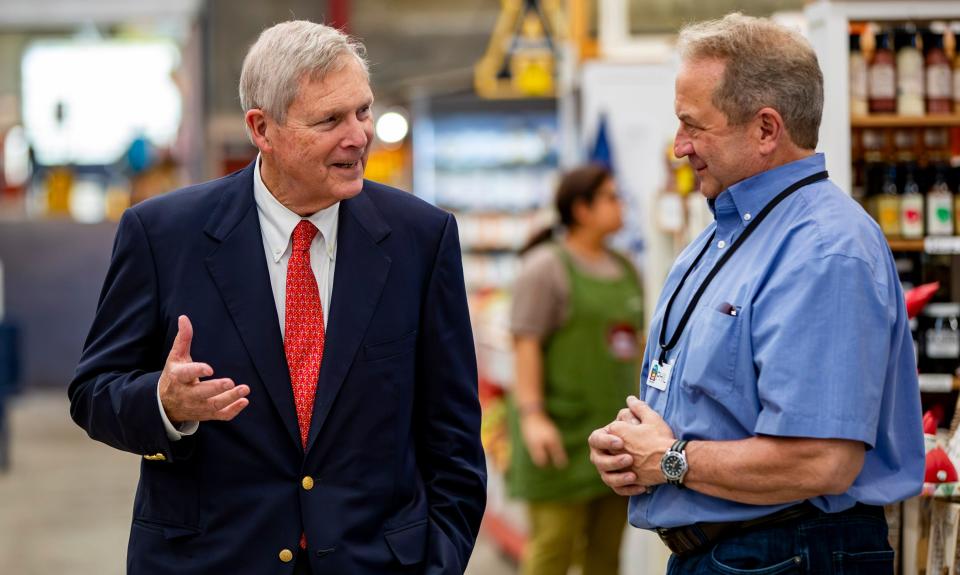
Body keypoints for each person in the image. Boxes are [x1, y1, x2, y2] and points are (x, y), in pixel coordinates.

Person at [68, 20, 486, 575]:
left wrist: (440, 561)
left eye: (361, 111)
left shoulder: (421, 239)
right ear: (262, 129)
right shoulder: (164, 235)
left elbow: (453, 436)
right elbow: (93, 391)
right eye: (329, 120)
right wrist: (164, 405)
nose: (359, 136)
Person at [587, 13, 924, 574]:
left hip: (790, 554)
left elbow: (822, 461)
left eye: (693, 126)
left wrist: (668, 460)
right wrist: (634, 450)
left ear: (766, 129)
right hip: (740, 553)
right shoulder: (728, 236)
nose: (678, 147)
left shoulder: (823, 250)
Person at [509, 165, 643, 575]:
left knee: (605, 557)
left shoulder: (625, 267)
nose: (621, 206)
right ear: (582, 209)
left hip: (614, 438)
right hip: (559, 437)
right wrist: (533, 417)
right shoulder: (546, 267)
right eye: (611, 197)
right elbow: (526, 344)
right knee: (552, 551)